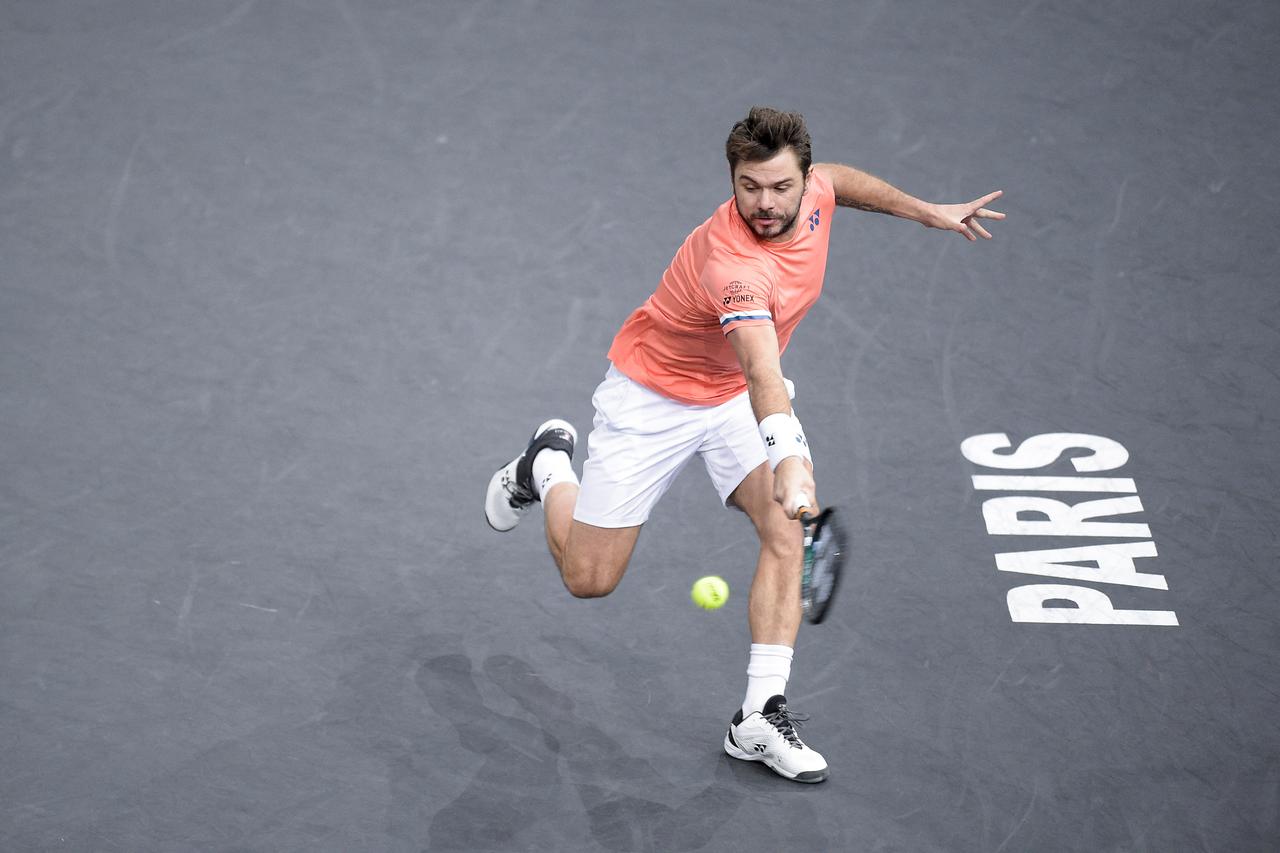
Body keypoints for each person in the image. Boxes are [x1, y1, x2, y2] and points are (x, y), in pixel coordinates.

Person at [484, 106, 1004, 783]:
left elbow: (840, 181)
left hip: (728, 397)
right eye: (749, 186)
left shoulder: (814, 190)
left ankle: (759, 715)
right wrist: (788, 458)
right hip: (655, 398)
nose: (764, 203)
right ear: (732, 180)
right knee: (589, 578)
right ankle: (546, 463)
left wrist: (924, 210)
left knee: (785, 530)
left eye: (781, 187)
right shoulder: (733, 265)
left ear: (801, 179)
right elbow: (761, 368)